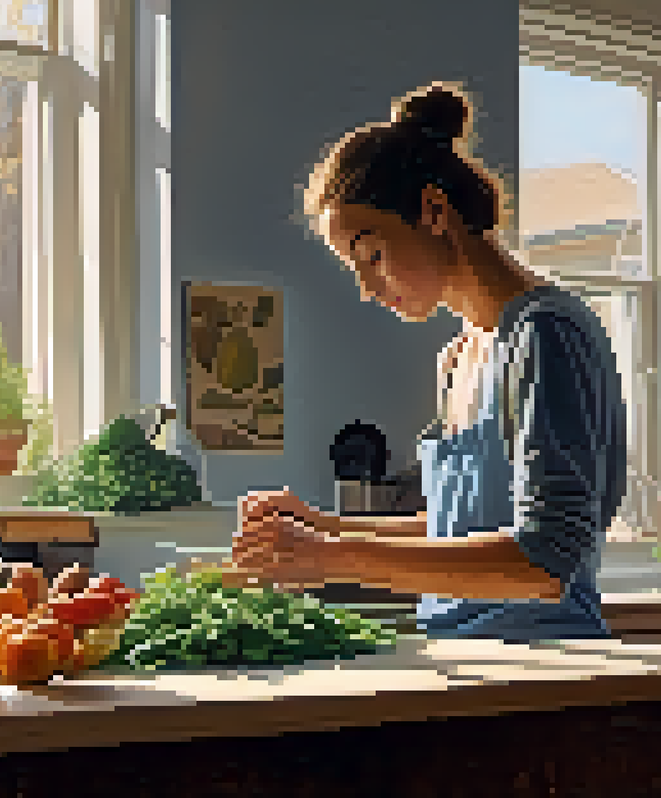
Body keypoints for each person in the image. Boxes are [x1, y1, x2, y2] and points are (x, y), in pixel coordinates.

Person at [230, 82, 628, 641]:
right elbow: (457, 528)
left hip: (545, 669)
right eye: (354, 268)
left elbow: (545, 559)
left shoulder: (544, 333)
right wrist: (320, 527)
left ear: (433, 211)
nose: (368, 287)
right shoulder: (457, 355)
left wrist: (333, 556)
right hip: (463, 660)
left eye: (371, 254)